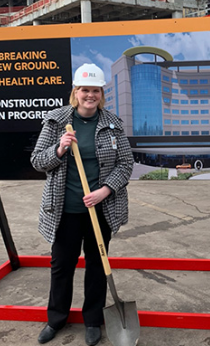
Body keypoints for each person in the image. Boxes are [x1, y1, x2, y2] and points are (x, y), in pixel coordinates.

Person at [31, 63, 134, 346]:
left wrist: (105, 191)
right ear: (75, 92)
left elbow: (126, 164)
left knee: (97, 264)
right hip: (64, 210)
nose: (90, 95)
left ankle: (92, 321)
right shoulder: (55, 122)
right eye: (84, 90)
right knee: (61, 265)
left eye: (95, 90)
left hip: (100, 209)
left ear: (102, 94)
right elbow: (38, 161)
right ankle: (56, 319)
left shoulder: (112, 124)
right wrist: (60, 148)